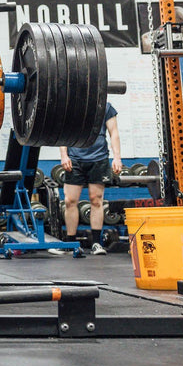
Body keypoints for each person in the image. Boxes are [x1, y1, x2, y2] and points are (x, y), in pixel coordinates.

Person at [57, 101, 122, 255]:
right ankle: (70, 243)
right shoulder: (70, 106)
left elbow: (114, 133)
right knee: (70, 201)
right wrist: (64, 155)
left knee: (96, 200)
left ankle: (96, 243)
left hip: (99, 159)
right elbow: (63, 134)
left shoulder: (106, 107)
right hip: (75, 160)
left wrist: (117, 157)